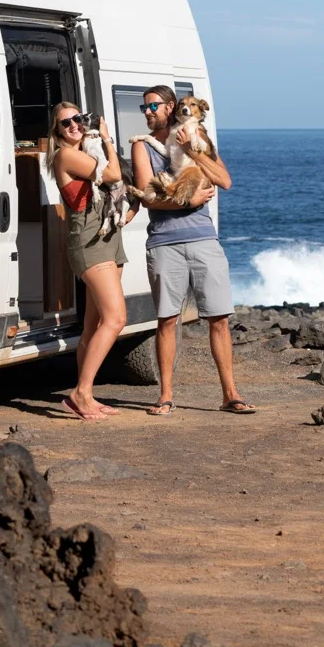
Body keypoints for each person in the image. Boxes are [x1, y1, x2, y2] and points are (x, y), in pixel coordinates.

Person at [131, 85, 255, 416]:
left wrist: (195, 151)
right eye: (144, 107)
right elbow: (148, 197)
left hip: (203, 239)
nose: (147, 112)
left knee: (219, 318)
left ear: (170, 108)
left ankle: (230, 395)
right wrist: (190, 199)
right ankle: (166, 396)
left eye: (152, 106)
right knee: (167, 320)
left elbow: (224, 180)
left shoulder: (195, 137)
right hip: (163, 242)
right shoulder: (143, 147)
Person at [47, 102, 134, 420]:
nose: (73, 125)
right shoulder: (65, 155)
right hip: (89, 243)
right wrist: (107, 137)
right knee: (115, 319)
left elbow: (119, 180)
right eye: (65, 122)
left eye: (78, 119)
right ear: (57, 131)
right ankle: (80, 392)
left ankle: (85, 393)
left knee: (94, 324)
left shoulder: (86, 152)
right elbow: (111, 173)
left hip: (109, 240)